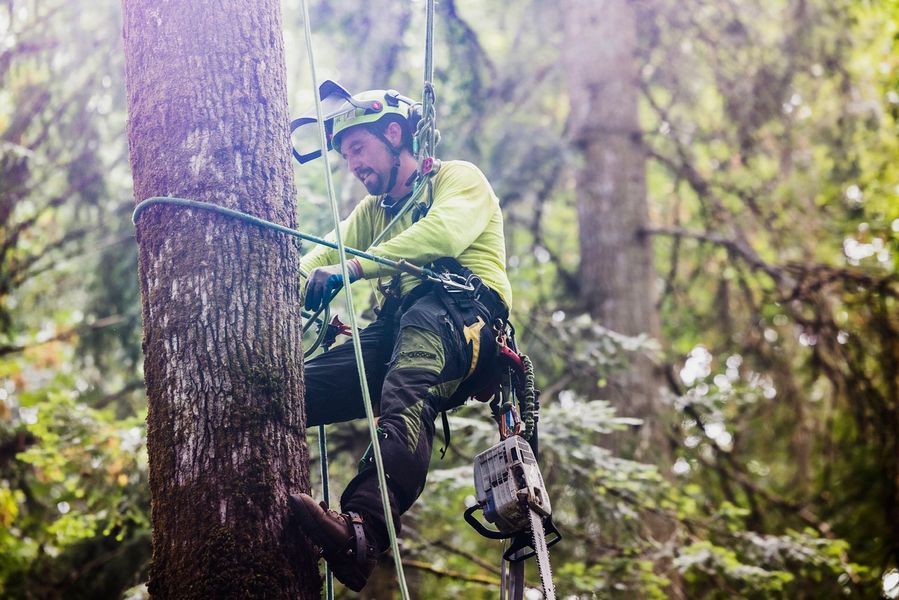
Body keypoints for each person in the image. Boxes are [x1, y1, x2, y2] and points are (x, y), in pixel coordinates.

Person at [290, 85, 512, 592]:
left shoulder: (455, 179)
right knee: (292, 391)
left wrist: (353, 268)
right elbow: (324, 253)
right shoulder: (372, 212)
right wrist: (298, 280)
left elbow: (446, 234)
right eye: (346, 158)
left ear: (394, 135)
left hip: (464, 314)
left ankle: (362, 529)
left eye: (359, 150)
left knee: (408, 377)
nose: (354, 166)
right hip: (397, 328)